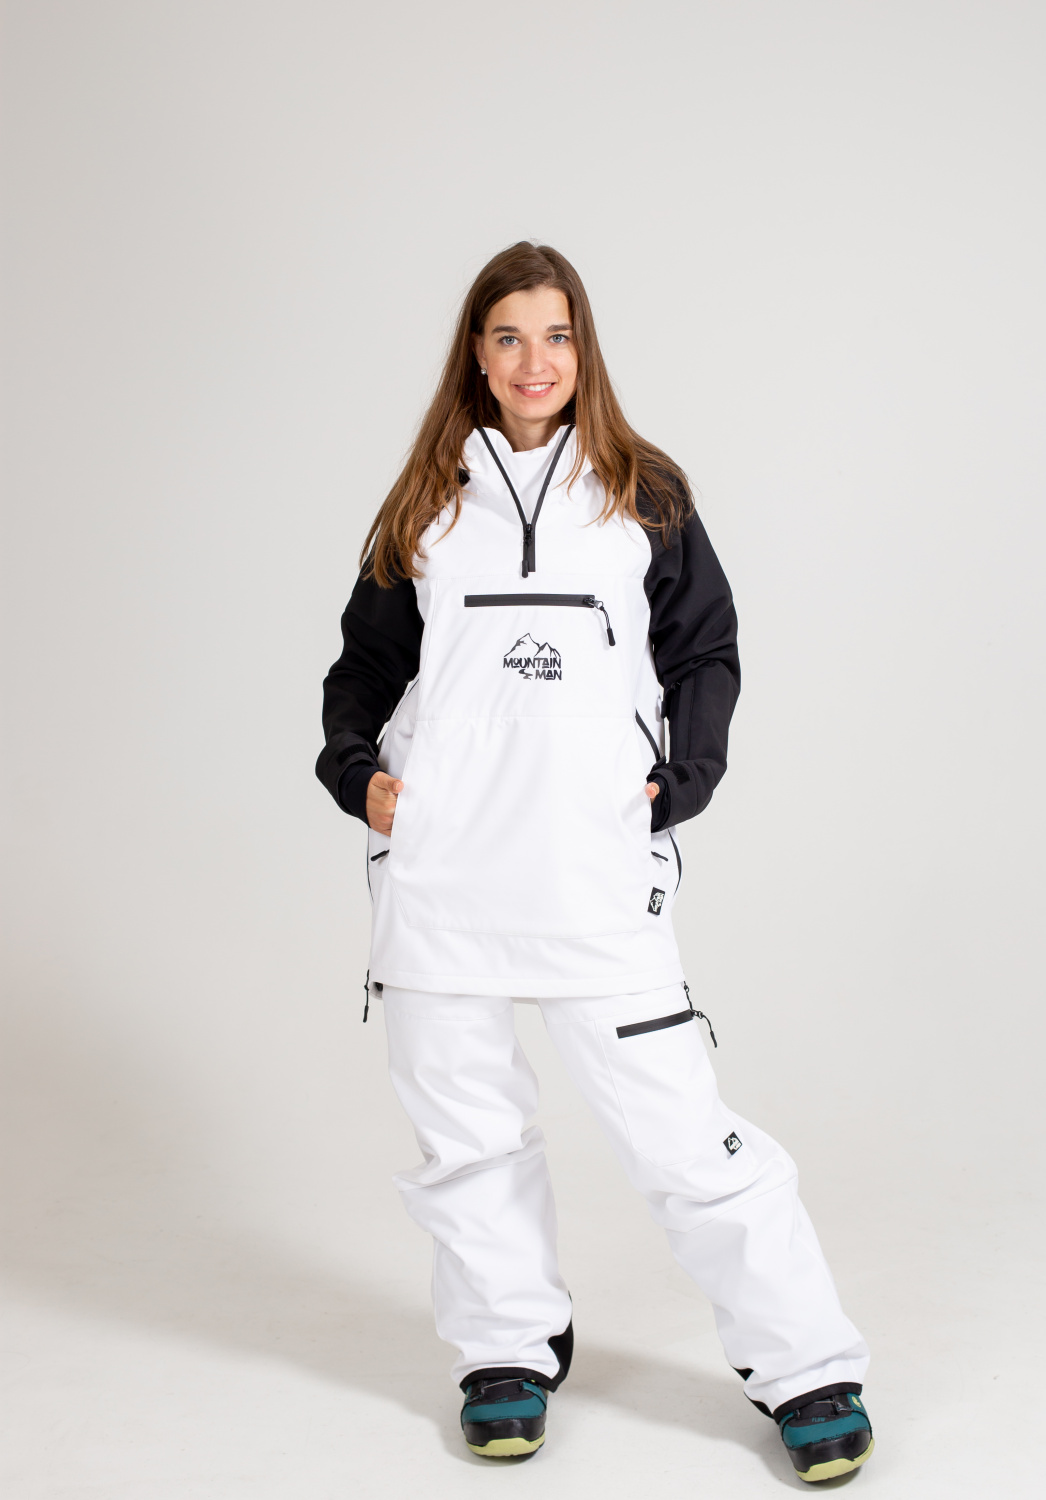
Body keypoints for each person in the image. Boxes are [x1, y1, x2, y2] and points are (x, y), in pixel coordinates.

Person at [316, 242, 872, 1482]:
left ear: (585, 348)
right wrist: (359, 775)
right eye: (509, 336)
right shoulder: (423, 504)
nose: (536, 361)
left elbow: (705, 648)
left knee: (680, 1134)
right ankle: (505, 1351)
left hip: (593, 866)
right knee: (467, 1136)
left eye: (557, 336)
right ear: (476, 352)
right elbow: (362, 671)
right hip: (444, 872)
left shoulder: (641, 491)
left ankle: (807, 1366)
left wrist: (688, 775)